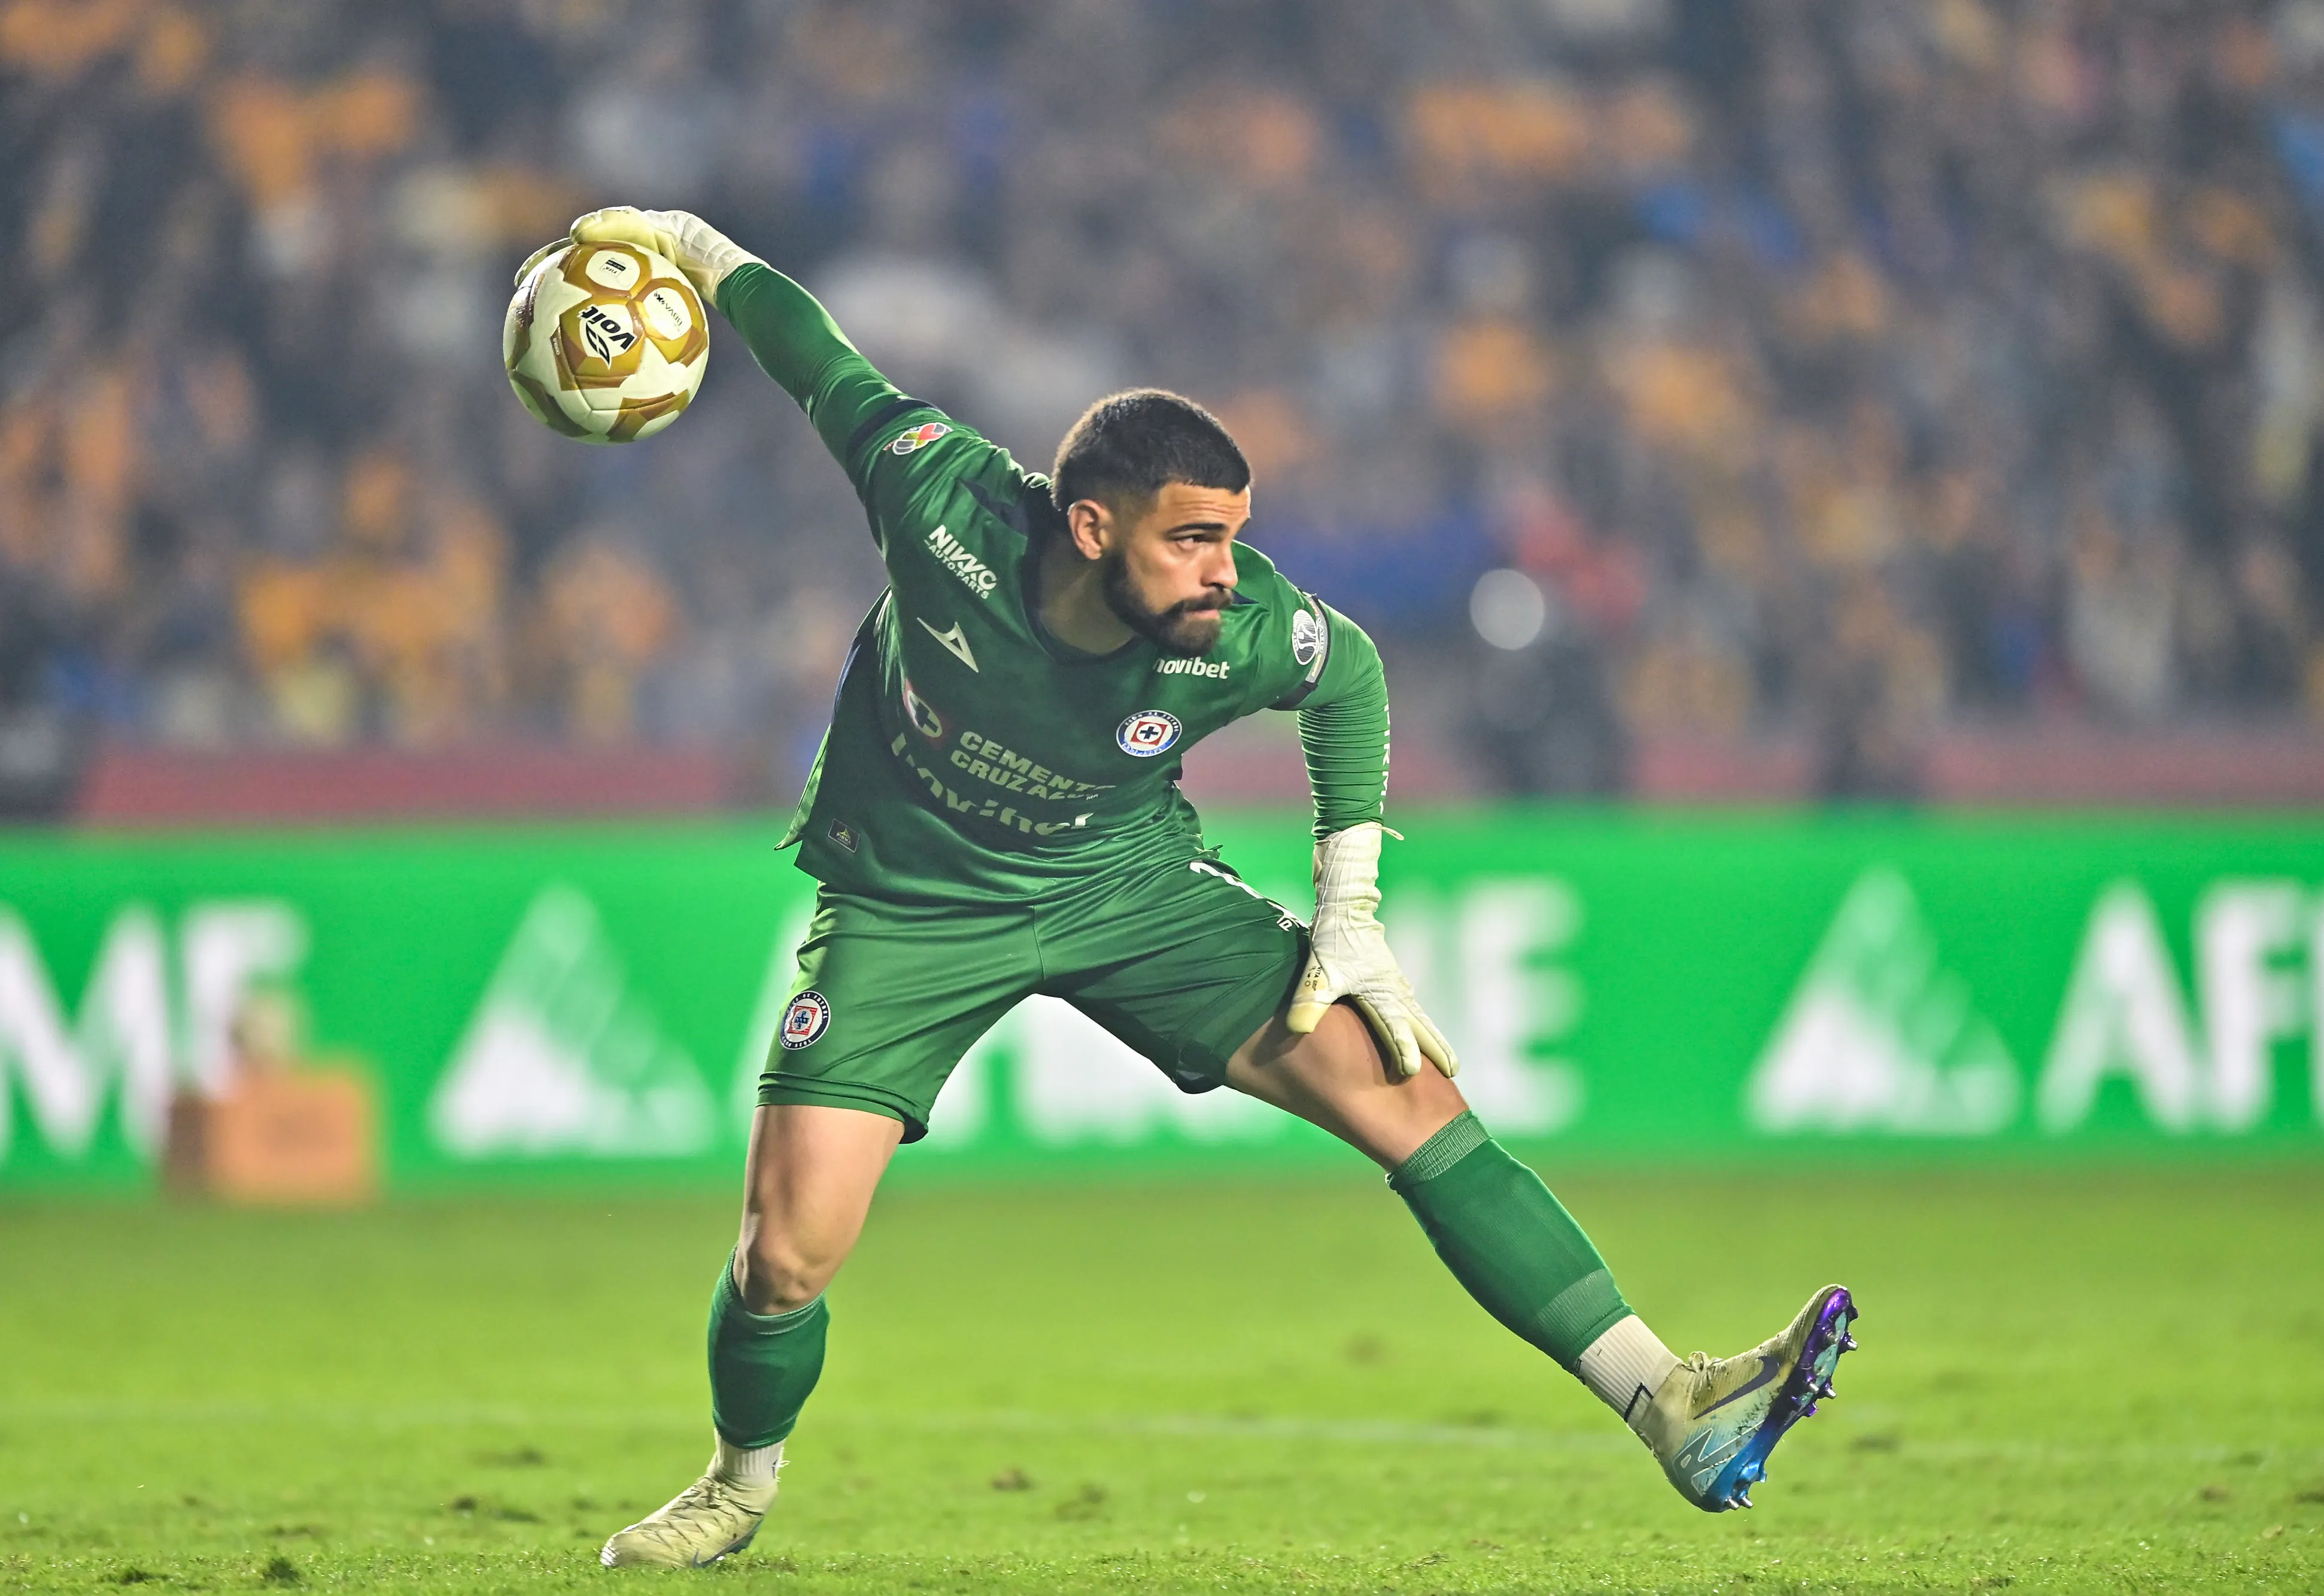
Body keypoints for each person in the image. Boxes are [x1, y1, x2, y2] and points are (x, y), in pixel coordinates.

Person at [517, 209, 1858, 1569]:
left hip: (1124, 883)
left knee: (1401, 1087)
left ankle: (1668, 1403)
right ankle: (741, 1482)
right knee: (786, 1255)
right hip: (910, 903)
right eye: (1190, 540)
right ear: (1088, 525)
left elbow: (1351, 680)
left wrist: (1349, 911)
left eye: (1234, 536)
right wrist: (696, 249)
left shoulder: (1245, 627)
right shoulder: (941, 505)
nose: (1223, 570)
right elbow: (818, 361)